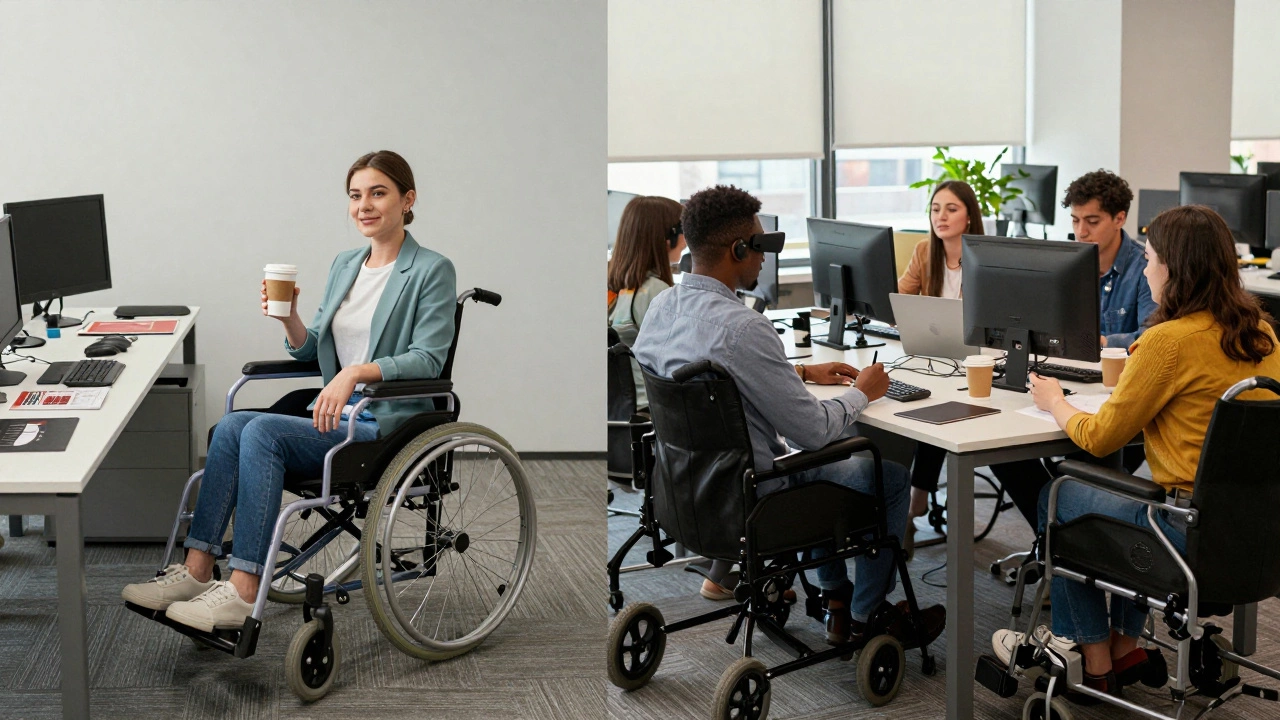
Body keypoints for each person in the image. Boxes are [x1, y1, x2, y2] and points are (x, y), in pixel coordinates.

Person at [122, 150, 457, 632]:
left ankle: (242, 591)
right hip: (337, 413)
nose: (364, 205)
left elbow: (428, 358)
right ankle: (196, 571)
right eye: (355, 195)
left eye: (377, 193)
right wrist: (289, 318)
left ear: (408, 200)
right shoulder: (347, 264)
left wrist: (354, 374)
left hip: (383, 422)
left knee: (261, 432)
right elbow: (310, 352)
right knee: (234, 424)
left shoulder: (431, 269)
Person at [631, 184, 945, 645]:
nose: (765, 259)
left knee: (814, 468)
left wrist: (795, 369)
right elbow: (813, 431)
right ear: (739, 249)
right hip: (756, 502)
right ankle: (866, 613)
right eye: (762, 246)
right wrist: (863, 392)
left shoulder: (662, 308)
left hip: (683, 492)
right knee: (885, 475)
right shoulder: (744, 327)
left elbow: (708, 378)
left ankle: (835, 601)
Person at [991, 205, 1280, 698]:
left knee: (1062, 495)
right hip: (1256, 532)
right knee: (1128, 499)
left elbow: (1100, 438)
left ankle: (1088, 654)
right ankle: (1124, 649)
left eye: (1150, 259)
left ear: (1175, 268)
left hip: (1183, 531)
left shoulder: (1166, 343)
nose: (1145, 270)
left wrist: (1055, 401)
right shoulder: (1262, 332)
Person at [990, 170, 1156, 525]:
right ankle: (1053, 537)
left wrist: (1102, 343)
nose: (1081, 231)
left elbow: (1150, 338)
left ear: (1119, 218)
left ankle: (1065, 539)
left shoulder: (1145, 269)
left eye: (1092, 221)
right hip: (1068, 384)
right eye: (1076, 220)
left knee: (1085, 464)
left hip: (1115, 400)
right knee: (1000, 448)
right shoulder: (1063, 264)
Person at [895, 181, 985, 554]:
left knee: (934, 409)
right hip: (935, 359)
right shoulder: (924, 252)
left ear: (968, 217)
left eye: (950, 209)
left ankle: (914, 503)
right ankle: (908, 501)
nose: (940, 216)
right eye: (935, 209)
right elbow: (900, 302)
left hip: (977, 362)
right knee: (907, 402)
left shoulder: (984, 257)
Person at [607, 195, 685, 409]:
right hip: (652, 409)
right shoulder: (657, 293)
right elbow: (681, 360)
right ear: (668, 237)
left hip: (626, 408)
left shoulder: (618, 288)